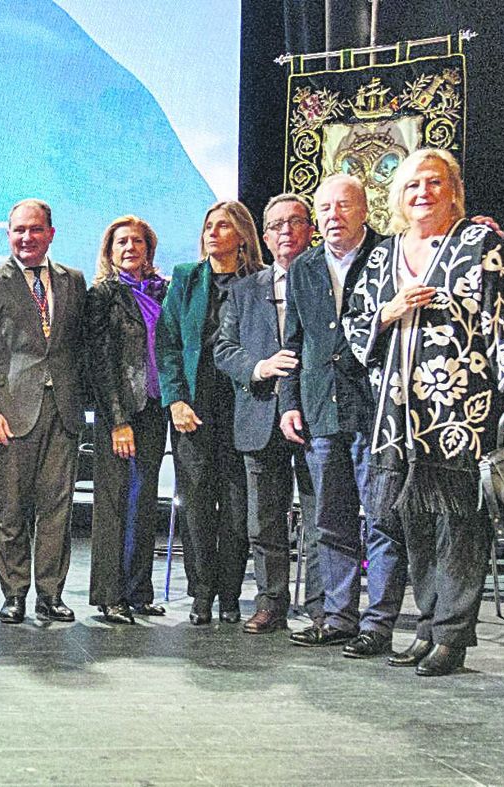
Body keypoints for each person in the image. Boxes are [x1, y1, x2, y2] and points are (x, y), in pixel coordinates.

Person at [344, 148, 504, 676]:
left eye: (434, 183)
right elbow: (355, 323)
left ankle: (453, 634)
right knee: (413, 521)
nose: (423, 193)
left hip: (460, 405)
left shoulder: (478, 243)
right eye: (413, 185)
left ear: (453, 190)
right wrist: (391, 311)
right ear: (398, 195)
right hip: (397, 413)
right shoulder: (381, 255)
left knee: (460, 523)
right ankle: (427, 623)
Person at [0, 198, 87, 626]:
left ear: (50, 233)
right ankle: (14, 593)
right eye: (18, 230)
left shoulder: (73, 280)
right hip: (11, 412)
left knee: (57, 508)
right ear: (9, 234)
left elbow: (77, 348)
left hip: (63, 410)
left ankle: (50, 594)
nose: (26, 237)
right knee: (11, 510)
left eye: (35, 230)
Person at [279, 174, 388, 651]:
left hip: (376, 408)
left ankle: (378, 624)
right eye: (325, 209)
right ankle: (339, 617)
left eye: (344, 206)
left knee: (382, 519)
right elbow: (294, 342)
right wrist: (289, 403)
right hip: (321, 409)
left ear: (365, 209)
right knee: (331, 519)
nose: (333, 216)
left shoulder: (389, 255)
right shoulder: (303, 267)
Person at [156, 200, 261, 626]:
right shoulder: (185, 278)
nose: (213, 234)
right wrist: (176, 399)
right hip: (194, 409)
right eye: (208, 227)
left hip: (244, 407)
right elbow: (167, 344)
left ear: (242, 235)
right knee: (197, 505)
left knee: (237, 508)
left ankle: (232, 594)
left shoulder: (258, 280)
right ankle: (201, 595)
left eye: (223, 226)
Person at [213, 194, 310, 634]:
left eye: (294, 222)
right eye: (276, 225)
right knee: (263, 522)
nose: (285, 231)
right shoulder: (243, 289)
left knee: (321, 517)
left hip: (314, 413)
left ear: (310, 230)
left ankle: (325, 607)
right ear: (265, 236)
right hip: (257, 416)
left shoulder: (325, 278)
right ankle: (271, 602)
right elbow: (224, 349)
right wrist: (260, 368)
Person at [84, 216, 170, 624]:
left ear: (148, 249)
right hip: (119, 413)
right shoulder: (102, 295)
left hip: (155, 409)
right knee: (115, 504)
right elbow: (99, 363)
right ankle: (109, 595)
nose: (130, 247)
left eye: (137, 241)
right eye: (121, 242)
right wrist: (117, 420)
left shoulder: (163, 291)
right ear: (110, 250)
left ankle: (139, 592)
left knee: (144, 503)